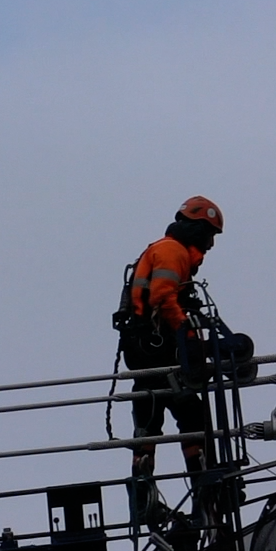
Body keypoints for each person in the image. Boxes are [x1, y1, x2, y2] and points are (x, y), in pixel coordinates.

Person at [115, 196, 225, 521]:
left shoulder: (161, 250)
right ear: (197, 229)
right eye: (210, 236)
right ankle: (207, 496)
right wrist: (188, 338)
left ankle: (142, 499)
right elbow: (163, 296)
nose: (211, 245)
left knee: (148, 421)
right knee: (193, 417)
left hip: (143, 351)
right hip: (159, 349)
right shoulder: (172, 251)